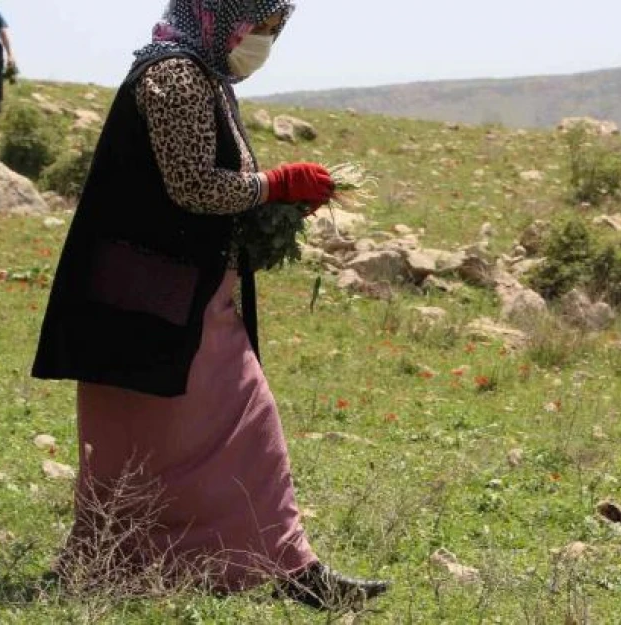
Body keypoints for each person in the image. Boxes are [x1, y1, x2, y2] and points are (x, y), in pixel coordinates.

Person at [31, 0, 389, 610]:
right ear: (227, 18)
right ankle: (148, 565)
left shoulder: (205, 75)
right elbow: (194, 184)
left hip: (169, 293)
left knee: (195, 431)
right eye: (263, 30)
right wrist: (275, 186)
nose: (264, 44)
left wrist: (273, 201)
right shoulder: (174, 75)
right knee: (180, 433)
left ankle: (278, 565)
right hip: (154, 296)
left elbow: (215, 183)